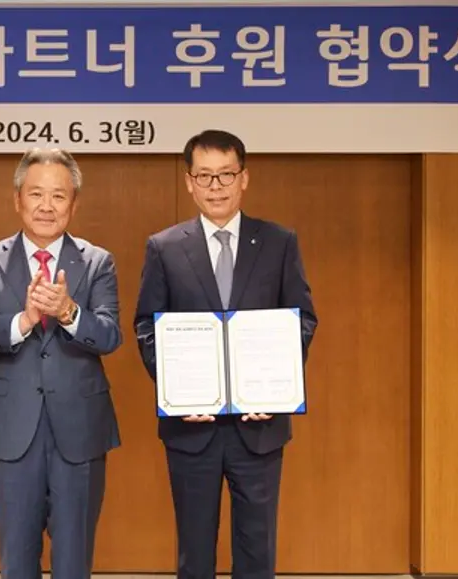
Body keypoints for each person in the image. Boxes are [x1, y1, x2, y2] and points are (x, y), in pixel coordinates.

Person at [134, 130, 318, 579]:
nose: (215, 186)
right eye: (205, 176)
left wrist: (274, 390)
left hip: (260, 429)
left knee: (257, 551)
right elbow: (147, 328)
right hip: (190, 429)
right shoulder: (164, 247)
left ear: (244, 178)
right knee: (194, 552)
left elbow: (302, 321)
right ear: (189, 182)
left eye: (226, 175)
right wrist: (179, 393)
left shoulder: (278, 242)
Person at [0, 148, 121, 579]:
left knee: (74, 562)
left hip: (80, 428)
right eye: (36, 194)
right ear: (18, 199)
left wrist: (69, 312)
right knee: (16, 560)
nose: (46, 206)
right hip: (11, 428)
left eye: (58, 196)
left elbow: (110, 335)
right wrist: (24, 320)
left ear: (74, 204)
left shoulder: (97, 261)